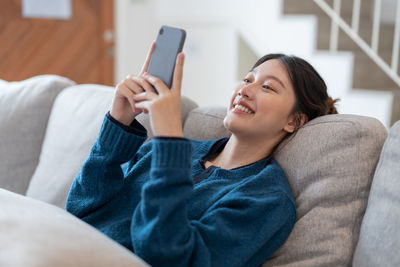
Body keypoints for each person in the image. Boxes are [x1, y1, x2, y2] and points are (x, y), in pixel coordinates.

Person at [66, 41, 338, 267]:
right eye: (247, 79)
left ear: (295, 121)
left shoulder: (265, 200)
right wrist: (118, 123)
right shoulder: (157, 153)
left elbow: (165, 257)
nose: (244, 90)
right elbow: (81, 210)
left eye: (268, 87)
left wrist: (168, 139)